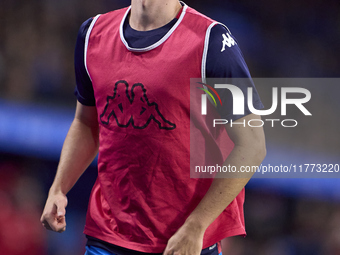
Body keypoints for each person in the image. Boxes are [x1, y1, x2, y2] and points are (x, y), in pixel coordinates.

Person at [40, 1, 266, 255]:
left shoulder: (211, 42)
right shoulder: (93, 33)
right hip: (108, 237)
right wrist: (59, 188)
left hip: (183, 243)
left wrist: (196, 225)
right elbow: (86, 123)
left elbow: (252, 144)